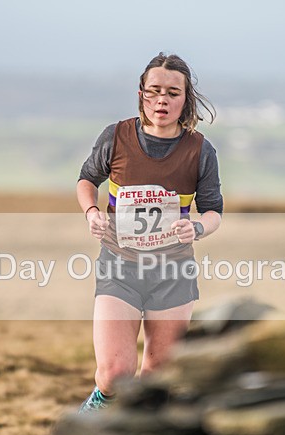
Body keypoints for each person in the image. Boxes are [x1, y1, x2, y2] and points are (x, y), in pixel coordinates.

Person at [76, 53, 223, 412]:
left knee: (157, 374)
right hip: (119, 266)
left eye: (173, 93)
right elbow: (85, 180)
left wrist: (198, 227)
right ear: (141, 93)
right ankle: (98, 407)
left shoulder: (201, 151)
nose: (162, 100)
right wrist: (92, 212)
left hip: (172, 273)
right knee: (114, 373)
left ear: (185, 99)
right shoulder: (116, 136)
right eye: (154, 91)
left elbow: (214, 211)